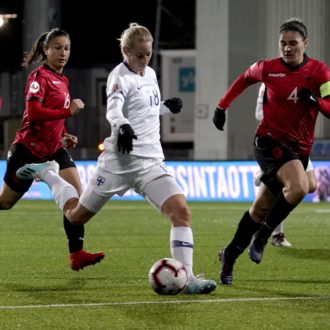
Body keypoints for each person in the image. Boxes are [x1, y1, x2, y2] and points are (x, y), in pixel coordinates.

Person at [17, 23, 217, 294]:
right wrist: (122, 126)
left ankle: (189, 278)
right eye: (139, 55)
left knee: (181, 213)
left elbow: (143, 107)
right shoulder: (118, 77)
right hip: (118, 165)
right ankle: (48, 175)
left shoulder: (151, 74)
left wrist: (164, 108)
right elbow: (114, 110)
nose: (144, 60)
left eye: (148, 54)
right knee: (76, 217)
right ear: (125, 51)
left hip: (150, 164)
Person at [212, 18, 330, 285]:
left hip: (299, 149)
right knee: (300, 186)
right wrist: (221, 107)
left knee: (261, 207)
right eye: (283, 43)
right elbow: (243, 80)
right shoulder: (268, 68)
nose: (287, 48)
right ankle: (264, 236)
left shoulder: (319, 72)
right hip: (268, 141)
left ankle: (229, 255)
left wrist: (315, 101)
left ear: (305, 43)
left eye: (293, 43)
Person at [0, 28, 105, 271]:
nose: (63, 53)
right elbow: (34, 113)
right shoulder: (39, 77)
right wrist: (67, 112)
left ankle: (76, 254)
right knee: (5, 203)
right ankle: (39, 170)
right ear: (46, 50)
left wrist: (64, 133)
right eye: (57, 47)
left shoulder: (63, 79)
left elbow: (55, 119)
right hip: (28, 148)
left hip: (55, 148)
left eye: (66, 48)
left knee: (77, 201)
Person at [255, 83, 318, 247]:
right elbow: (259, 113)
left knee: (311, 185)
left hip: (300, 142)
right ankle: (276, 235)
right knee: (286, 187)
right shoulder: (271, 81)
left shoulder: (310, 81)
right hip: (280, 143)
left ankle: (264, 175)